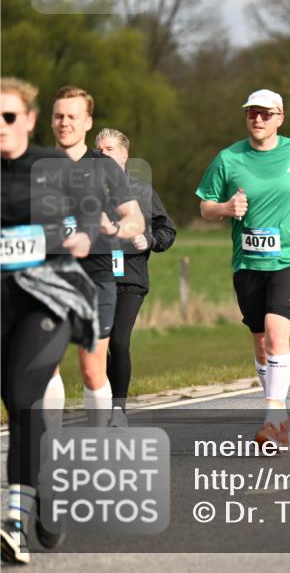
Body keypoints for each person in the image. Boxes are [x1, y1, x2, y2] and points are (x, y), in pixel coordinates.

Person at [2, 77, 101, 564]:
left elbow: (86, 216)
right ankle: (47, 494)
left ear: (29, 120)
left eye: (9, 117)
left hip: (48, 300)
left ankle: (14, 521)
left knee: (23, 398)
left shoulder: (54, 166)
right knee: (19, 406)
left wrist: (81, 236)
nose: (1, 127)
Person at [196, 89, 290, 445]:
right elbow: (205, 204)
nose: (258, 119)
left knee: (275, 331)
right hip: (248, 260)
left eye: (266, 114)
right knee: (260, 343)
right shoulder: (228, 157)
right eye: (252, 113)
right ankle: (281, 417)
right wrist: (224, 209)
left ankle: (271, 419)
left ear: (280, 117)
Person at [47, 86, 145, 426]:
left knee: (91, 369)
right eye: (59, 116)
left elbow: (135, 220)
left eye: (72, 116)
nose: (64, 123)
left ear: (87, 121)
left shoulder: (105, 168)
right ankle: (48, 449)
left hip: (96, 277)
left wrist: (114, 228)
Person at [95, 128, 177, 426]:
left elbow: (168, 231)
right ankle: (101, 406)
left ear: (124, 155)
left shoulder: (142, 191)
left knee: (118, 341)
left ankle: (118, 410)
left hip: (131, 277)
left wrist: (149, 241)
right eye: (99, 150)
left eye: (110, 149)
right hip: (95, 276)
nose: (103, 155)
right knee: (97, 345)